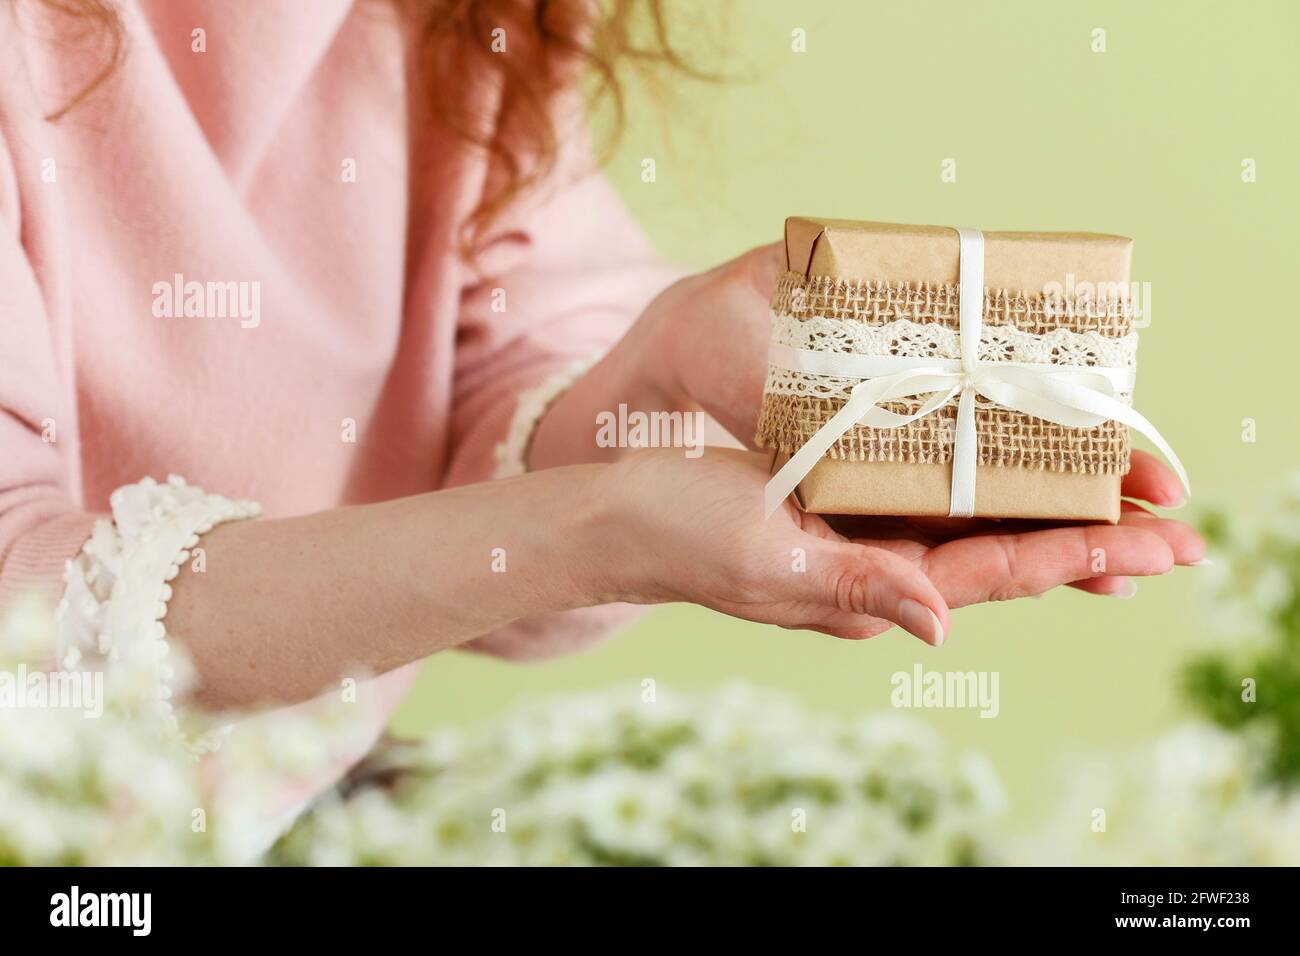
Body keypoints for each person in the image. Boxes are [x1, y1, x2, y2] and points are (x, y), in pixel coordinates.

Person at [0, 1, 1200, 787]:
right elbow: (22, 631)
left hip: (275, 792)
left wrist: (656, 369)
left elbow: (511, 422)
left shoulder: (470, 25)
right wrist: (598, 530)